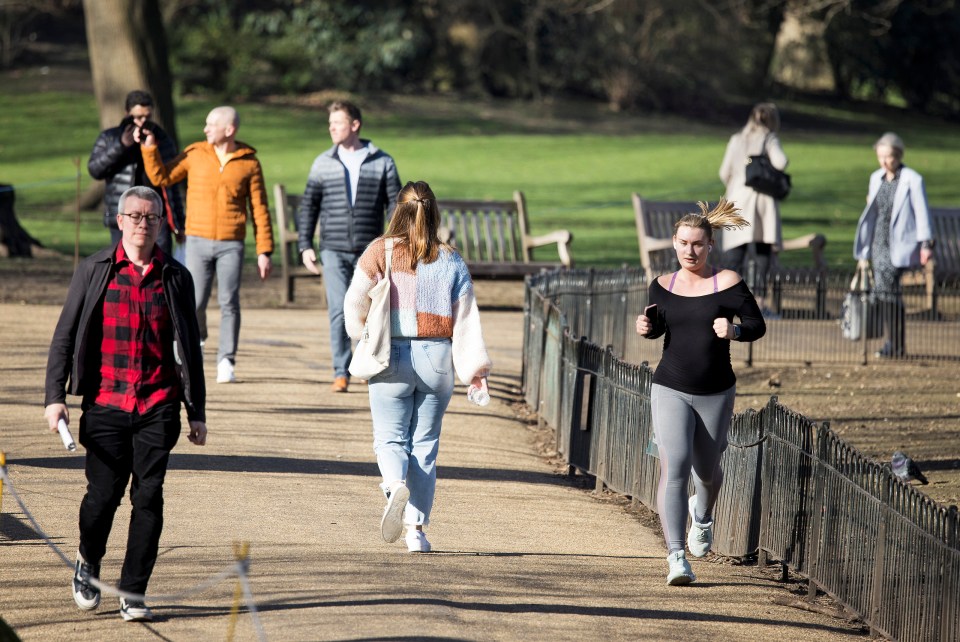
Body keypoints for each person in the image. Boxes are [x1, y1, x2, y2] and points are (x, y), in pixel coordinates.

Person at [43, 186, 207, 622]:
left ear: (160, 224)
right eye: (134, 216)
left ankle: (133, 591)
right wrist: (54, 398)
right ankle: (89, 560)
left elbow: (189, 348)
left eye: (151, 217)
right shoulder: (94, 270)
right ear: (119, 221)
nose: (143, 224)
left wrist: (197, 411)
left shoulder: (176, 276)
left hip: (158, 403)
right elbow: (64, 337)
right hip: (105, 402)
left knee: (149, 497)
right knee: (102, 496)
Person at [343, 181, 491, 553]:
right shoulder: (451, 259)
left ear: (398, 210)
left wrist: (364, 336)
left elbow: (353, 303)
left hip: (390, 356)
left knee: (390, 439)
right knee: (424, 446)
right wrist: (474, 370)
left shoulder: (379, 251)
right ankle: (416, 533)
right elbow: (467, 319)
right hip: (437, 358)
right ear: (434, 212)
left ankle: (394, 486)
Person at [635, 199, 766, 585]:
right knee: (673, 468)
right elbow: (661, 327)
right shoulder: (662, 285)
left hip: (716, 391)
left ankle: (703, 514)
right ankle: (676, 556)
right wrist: (647, 328)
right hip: (669, 386)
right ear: (673, 243)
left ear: (710, 245)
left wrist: (735, 331)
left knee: (706, 471)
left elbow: (756, 324)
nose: (689, 251)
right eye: (682, 243)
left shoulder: (727, 283)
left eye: (697, 244)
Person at [140, 106, 274, 384]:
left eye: (211, 124)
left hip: (232, 244)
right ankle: (197, 341)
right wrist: (150, 150)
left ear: (229, 129)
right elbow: (161, 178)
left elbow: (260, 209)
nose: (205, 129)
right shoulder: (195, 154)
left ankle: (226, 360)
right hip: (197, 241)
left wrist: (264, 250)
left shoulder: (249, 162)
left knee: (229, 302)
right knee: (194, 301)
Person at [298, 100, 402, 393]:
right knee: (338, 309)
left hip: (370, 250)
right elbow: (309, 206)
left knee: (369, 310)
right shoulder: (323, 162)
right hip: (332, 247)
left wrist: (392, 242)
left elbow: (395, 205)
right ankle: (340, 371)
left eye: (338, 123)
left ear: (355, 125)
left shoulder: (382, 161)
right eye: (330, 123)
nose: (331, 128)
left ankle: (366, 365)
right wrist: (305, 244)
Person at [853, 132, 934, 358]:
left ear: (898, 155)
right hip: (879, 242)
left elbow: (922, 213)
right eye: (881, 157)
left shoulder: (912, 179)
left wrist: (926, 244)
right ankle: (894, 344)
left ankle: (895, 344)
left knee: (888, 292)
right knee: (887, 294)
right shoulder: (876, 178)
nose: (884, 162)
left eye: (888, 157)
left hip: (900, 244)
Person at [87, 90, 185, 255]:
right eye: (138, 117)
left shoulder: (163, 139)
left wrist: (179, 222)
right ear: (127, 114)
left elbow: (171, 183)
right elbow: (95, 169)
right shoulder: (110, 137)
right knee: (123, 265)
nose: (143, 122)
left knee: (160, 265)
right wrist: (121, 145)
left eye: (148, 117)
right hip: (123, 212)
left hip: (156, 213)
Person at [718, 102, 787, 316]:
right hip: (760, 202)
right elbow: (782, 162)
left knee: (734, 256)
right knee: (761, 254)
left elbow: (723, 172)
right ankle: (758, 303)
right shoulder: (769, 138)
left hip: (736, 201)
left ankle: (727, 301)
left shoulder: (736, 139)